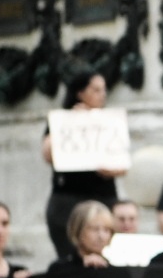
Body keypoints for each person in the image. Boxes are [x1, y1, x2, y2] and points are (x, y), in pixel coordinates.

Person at [42, 70, 127, 259]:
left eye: (103, 90)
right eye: (96, 90)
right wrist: (71, 122)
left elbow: (122, 165)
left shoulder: (110, 121)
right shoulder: (62, 119)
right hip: (68, 196)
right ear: (80, 93)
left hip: (103, 194)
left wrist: (109, 169)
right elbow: (47, 155)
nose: (102, 95)